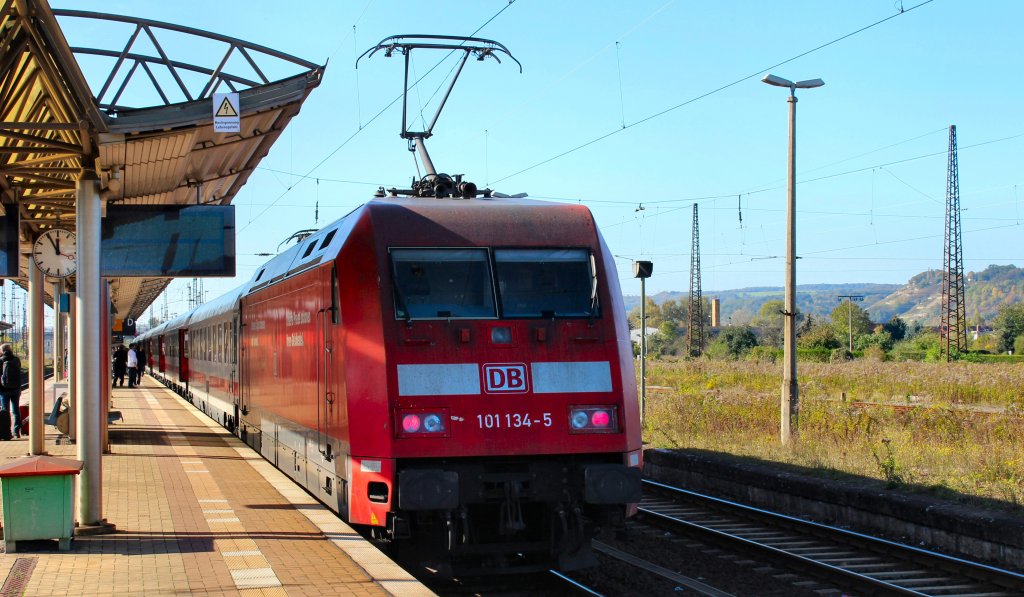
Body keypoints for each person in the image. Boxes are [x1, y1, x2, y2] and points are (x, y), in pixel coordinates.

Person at [0, 343, 23, 439]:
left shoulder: (1, 360)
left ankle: (7, 431)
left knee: (5, 411)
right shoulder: (16, 359)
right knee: (16, 410)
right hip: (16, 389)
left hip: (3, 390)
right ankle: (16, 431)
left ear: (2, 351)